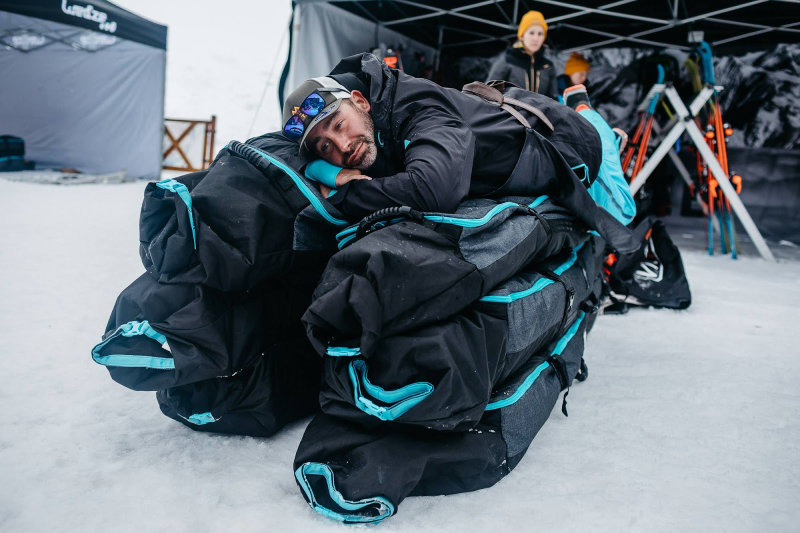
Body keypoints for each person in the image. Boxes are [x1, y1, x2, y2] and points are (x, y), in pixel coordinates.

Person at [281, 53, 636, 251]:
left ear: (360, 101)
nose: (341, 147)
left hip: (570, 143)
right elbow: (295, 159)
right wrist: (327, 171)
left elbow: (434, 189)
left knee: (621, 206)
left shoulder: (416, 109)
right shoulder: (376, 118)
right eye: (325, 145)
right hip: (506, 117)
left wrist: (346, 193)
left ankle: (590, 114)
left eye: (340, 125)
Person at [485, 10, 557, 99]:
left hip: (540, 112)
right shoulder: (507, 61)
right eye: (531, 33)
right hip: (511, 112)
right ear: (522, 36)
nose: (536, 38)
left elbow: (554, 99)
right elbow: (487, 92)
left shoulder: (548, 66)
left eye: (540, 34)